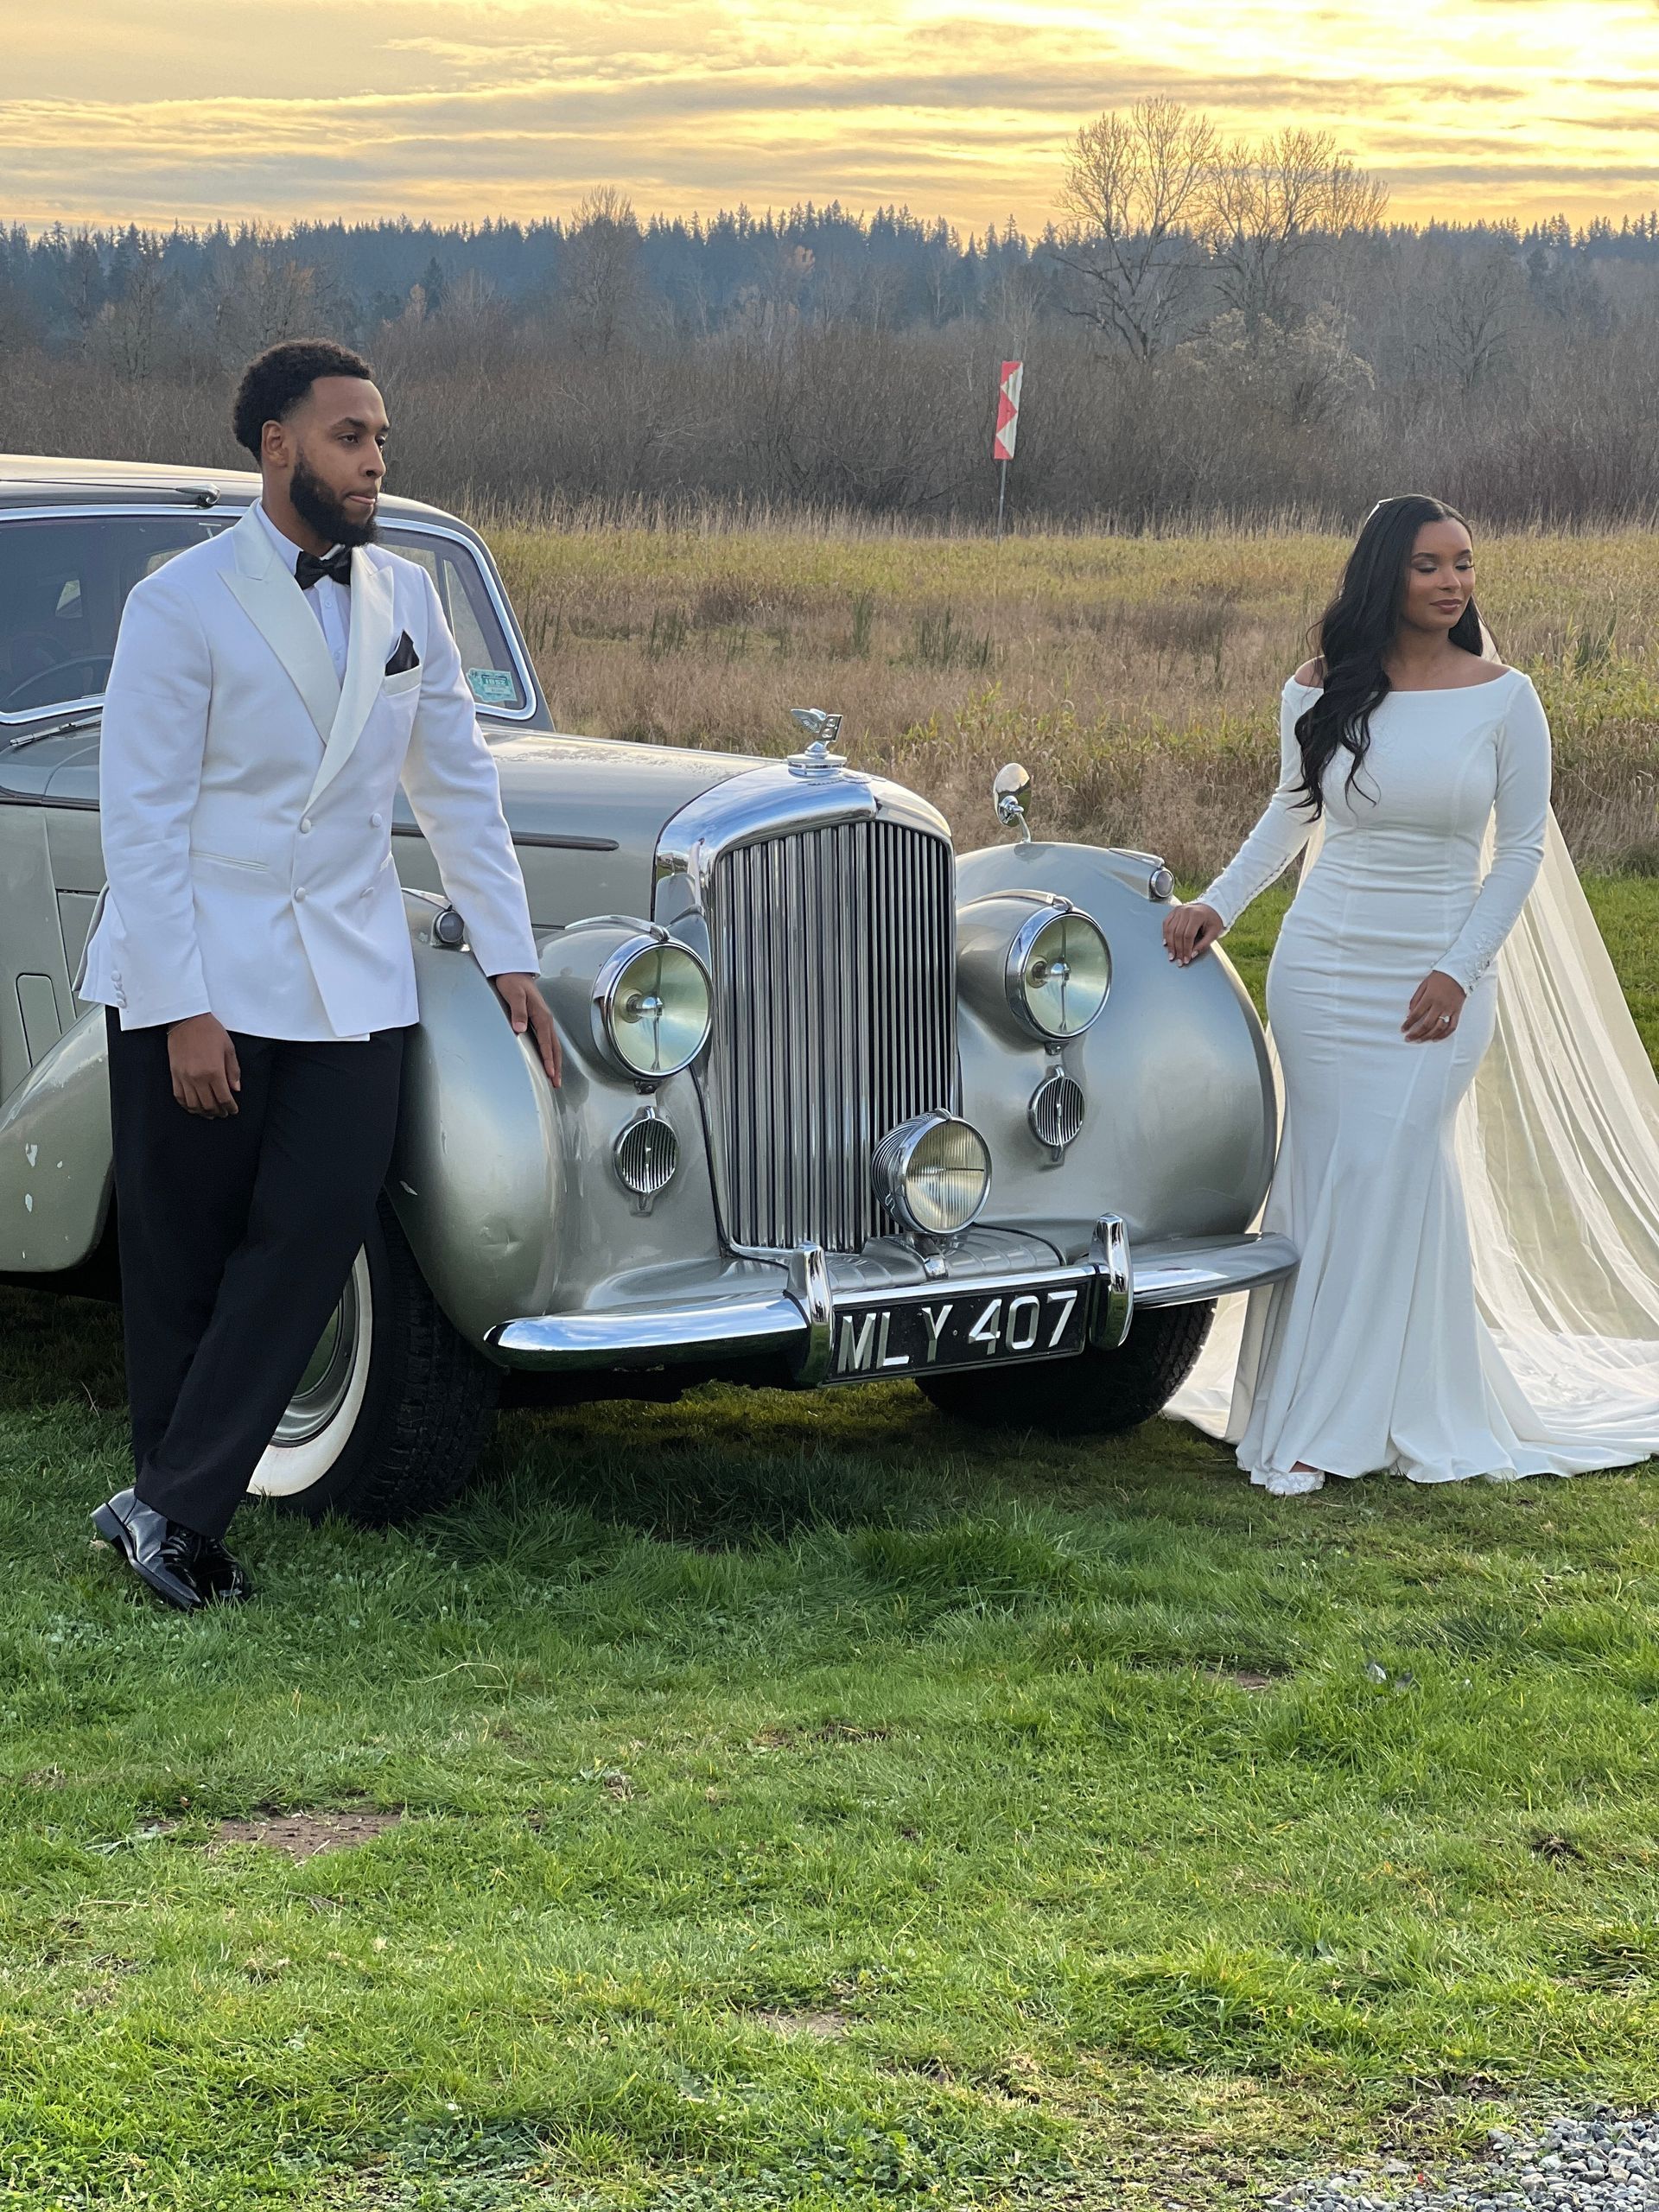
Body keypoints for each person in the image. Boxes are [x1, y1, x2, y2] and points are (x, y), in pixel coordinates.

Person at [79, 338, 561, 1609]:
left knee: (314, 1232)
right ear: (277, 443)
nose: (377, 460)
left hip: (352, 975)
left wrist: (508, 953)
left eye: (384, 438)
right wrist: (183, 1005)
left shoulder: (408, 598)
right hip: (199, 973)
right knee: (185, 1255)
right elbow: (140, 819)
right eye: (353, 436)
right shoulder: (176, 605)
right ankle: (175, 1514)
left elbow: (457, 785)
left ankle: (166, 1506)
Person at [1164, 493, 1659, 1492]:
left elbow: (1518, 853)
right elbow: (1291, 812)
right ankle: (1311, 1400)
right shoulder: (1316, 689)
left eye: (1466, 564)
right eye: (1432, 564)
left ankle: (1350, 1421)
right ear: (1387, 573)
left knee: (1394, 1165)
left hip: (1438, 964)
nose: (1452, 583)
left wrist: (1458, 968)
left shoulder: (1505, 698)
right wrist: (1218, 903)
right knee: (1328, 1172)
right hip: (1323, 960)